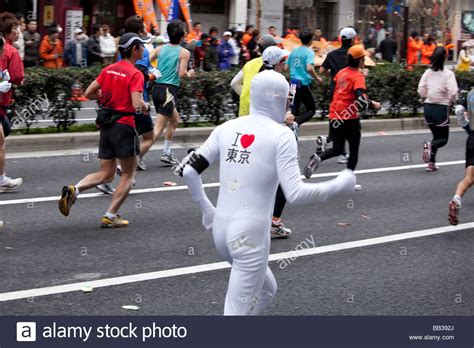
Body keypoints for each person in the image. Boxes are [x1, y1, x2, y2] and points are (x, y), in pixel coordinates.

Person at [180, 69, 356, 315]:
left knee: (267, 290)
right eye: (287, 100)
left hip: (220, 229)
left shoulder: (227, 127)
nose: (289, 105)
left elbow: (189, 171)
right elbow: (294, 193)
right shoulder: (282, 136)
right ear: (278, 99)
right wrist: (339, 185)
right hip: (250, 235)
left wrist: (207, 209)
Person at [58, 33, 149, 227]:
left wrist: (108, 98)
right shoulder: (135, 74)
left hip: (106, 125)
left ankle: (75, 189)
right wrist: (146, 106)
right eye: (141, 46)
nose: (144, 49)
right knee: (128, 174)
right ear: (134, 49)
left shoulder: (109, 69)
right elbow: (136, 105)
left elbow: (89, 92)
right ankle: (110, 215)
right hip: (124, 126)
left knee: (106, 174)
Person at [230, 41, 295, 238]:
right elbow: (282, 112)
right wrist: (288, 118)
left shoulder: (257, 76)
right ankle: (273, 221)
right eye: (283, 60)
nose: (285, 63)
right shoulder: (280, 81)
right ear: (277, 62)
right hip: (272, 134)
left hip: (250, 126)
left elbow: (235, 85)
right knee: (283, 179)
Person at [304, 45, 382, 180]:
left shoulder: (341, 72)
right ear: (360, 60)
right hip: (349, 118)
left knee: (337, 149)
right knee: (354, 150)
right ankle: (348, 181)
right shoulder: (358, 76)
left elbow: (338, 91)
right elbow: (361, 100)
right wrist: (373, 104)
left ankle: (319, 157)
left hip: (335, 114)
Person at [142, 20, 194, 166]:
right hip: (169, 91)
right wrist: (190, 74)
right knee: (158, 127)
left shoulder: (159, 49)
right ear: (183, 36)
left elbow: (144, 61)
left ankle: (167, 153)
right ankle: (136, 157)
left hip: (157, 89)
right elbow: (182, 73)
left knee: (175, 120)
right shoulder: (184, 52)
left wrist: (151, 72)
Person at [318, 27, 357, 164]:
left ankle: (328, 140)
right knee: (347, 122)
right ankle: (342, 152)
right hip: (349, 92)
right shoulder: (353, 54)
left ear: (340, 39)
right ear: (353, 40)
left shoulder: (332, 54)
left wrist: (334, 75)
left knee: (336, 120)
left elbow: (322, 70)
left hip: (334, 91)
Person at [418, 46, 458, 172]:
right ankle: (430, 147)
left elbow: (420, 90)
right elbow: (453, 92)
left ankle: (431, 163)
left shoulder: (427, 72)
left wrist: (428, 96)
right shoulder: (448, 74)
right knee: (443, 139)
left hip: (428, 108)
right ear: (446, 58)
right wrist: (452, 102)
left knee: (436, 135)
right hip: (440, 108)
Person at [0, 13, 24, 192]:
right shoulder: (10, 50)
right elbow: (18, 77)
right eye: (15, 28)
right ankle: (1, 179)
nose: (19, 30)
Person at [449, 87, 474, 225]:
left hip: (472, 138)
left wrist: (466, 127)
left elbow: (458, 110)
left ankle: (456, 199)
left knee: (469, 178)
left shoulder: (471, 93)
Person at [285, 31, 322, 126]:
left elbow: (285, 68)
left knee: (294, 111)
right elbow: (309, 68)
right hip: (303, 84)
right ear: (310, 40)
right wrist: (317, 78)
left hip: (293, 83)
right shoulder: (309, 52)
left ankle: (290, 130)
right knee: (311, 110)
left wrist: (294, 72)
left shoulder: (294, 51)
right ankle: (296, 124)